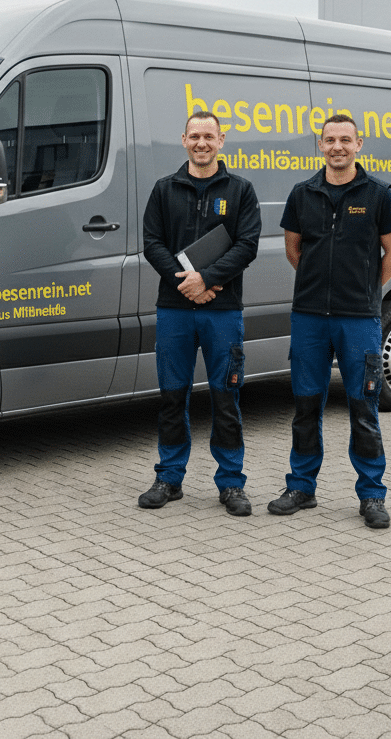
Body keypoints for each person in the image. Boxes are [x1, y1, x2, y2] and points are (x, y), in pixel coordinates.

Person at [268, 114, 391, 528]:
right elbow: (294, 250)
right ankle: (301, 487)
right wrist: (319, 286)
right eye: (330, 140)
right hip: (309, 318)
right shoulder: (302, 194)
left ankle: (372, 495)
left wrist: (364, 290)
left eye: (345, 140)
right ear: (321, 145)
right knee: (306, 405)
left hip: (358, 320)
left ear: (359, 144)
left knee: (363, 407)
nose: (337, 147)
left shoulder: (379, 195)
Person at [139, 111, 261, 515]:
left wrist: (206, 279)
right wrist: (186, 283)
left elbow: (247, 245)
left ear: (221, 140)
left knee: (226, 397)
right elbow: (152, 243)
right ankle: (169, 478)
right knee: (173, 397)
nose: (201, 143)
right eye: (195, 136)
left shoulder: (241, 190)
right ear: (184, 140)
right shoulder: (164, 189)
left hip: (222, 311)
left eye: (209, 136)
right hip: (175, 309)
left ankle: (231, 483)